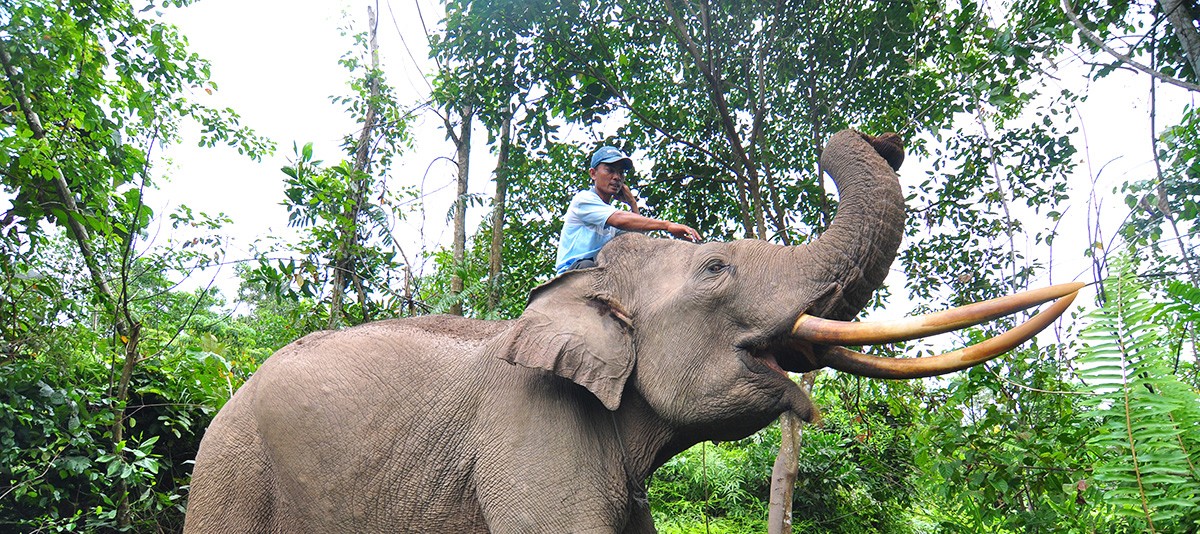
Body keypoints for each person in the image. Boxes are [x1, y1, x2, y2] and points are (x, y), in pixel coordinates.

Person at [555, 146, 701, 274]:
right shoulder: (584, 199)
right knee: (592, 267)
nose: (617, 177)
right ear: (593, 173)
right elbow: (618, 219)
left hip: (598, 266)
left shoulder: (611, 212)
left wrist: (632, 203)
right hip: (575, 270)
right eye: (610, 170)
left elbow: (636, 237)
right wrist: (667, 225)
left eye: (621, 173)